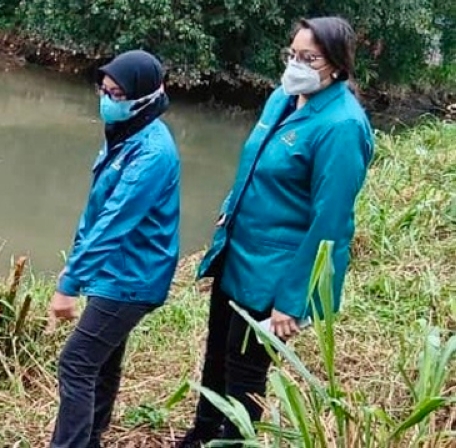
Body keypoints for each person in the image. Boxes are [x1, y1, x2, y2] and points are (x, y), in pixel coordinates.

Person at [176, 16, 374, 447]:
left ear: (337, 66)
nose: (296, 64)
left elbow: (331, 223)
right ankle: (202, 434)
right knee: (216, 355)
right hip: (238, 253)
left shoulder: (342, 126)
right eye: (292, 54)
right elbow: (253, 161)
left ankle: (235, 441)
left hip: (275, 271)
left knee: (245, 369)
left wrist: (293, 300)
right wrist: (229, 209)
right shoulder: (283, 98)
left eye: (309, 58)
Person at [47, 49, 182, 448]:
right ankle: (90, 439)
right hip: (116, 271)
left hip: (133, 277)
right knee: (101, 363)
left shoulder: (152, 153)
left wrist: (69, 283)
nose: (107, 100)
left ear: (144, 97)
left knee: (76, 364)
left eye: (117, 94)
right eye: (104, 90)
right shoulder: (127, 134)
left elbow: (114, 222)